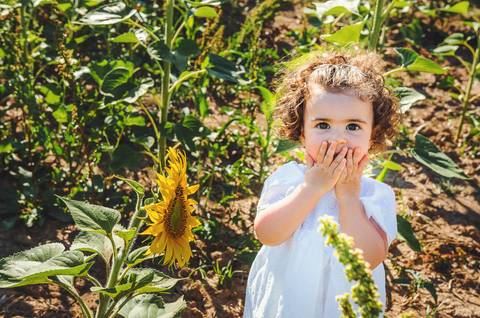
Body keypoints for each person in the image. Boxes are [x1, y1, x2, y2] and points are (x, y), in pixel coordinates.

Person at [243, 47, 401, 318]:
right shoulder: (289, 179)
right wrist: (311, 189)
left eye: (353, 126)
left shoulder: (375, 195)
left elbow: (370, 259)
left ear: (372, 137)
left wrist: (349, 199)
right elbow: (267, 234)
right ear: (301, 132)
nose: (337, 138)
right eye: (323, 125)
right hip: (287, 305)